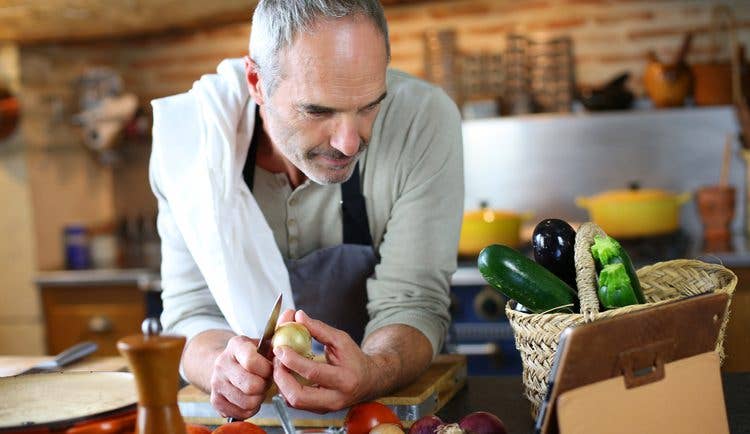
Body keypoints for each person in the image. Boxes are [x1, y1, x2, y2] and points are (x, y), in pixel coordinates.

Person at [149, 0, 463, 420]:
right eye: (318, 110)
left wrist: (372, 371)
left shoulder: (421, 121)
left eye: (370, 105)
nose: (349, 142)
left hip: (383, 415)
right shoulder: (190, 143)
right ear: (257, 82)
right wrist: (219, 368)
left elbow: (415, 301)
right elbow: (190, 312)